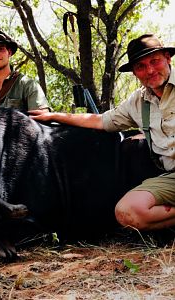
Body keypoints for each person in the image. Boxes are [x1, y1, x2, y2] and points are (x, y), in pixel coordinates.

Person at [30, 33, 175, 231]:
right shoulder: (138, 102)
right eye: (141, 66)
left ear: (167, 58)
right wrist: (54, 116)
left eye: (154, 61)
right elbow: (100, 120)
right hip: (171, 177)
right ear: (134, 72)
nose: (149, 70)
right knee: (127, 211)